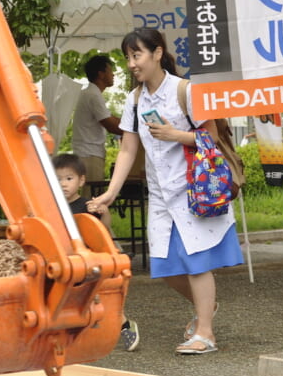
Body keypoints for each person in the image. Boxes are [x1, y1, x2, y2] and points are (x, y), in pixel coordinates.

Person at [90, 28, 242, 355]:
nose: (132, 63)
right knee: (165, 265)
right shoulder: (134, 100)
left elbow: (211, 136)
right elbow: (128, 150)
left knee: (198, 261)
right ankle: (206, 308)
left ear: (158, 53)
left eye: (137, 55)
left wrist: (176, 134)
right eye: (128, 57)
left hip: (194, 189)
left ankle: (205, 333)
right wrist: (110, 194)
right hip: (160, 195)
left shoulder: (186, 90)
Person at [53, 153, 138, 352]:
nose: (63, 184)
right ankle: (72, 336)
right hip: (66, 261)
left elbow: (103, 229)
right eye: (58, 179)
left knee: (101, 295)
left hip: (90, 261)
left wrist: (104, 212)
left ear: (81, 181)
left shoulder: (86, 205)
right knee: (68, 299)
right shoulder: (52, 207)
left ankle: (125, 324)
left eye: (69, 178)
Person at [72, 55, 124, 192]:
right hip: (89, 154)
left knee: (91, 197)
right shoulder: (93, 95)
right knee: (92, 200)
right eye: (110, 71)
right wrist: (133, 129)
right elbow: (110, 124)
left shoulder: (90, 93)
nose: (113, 75)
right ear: (101, 74)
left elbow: (108, 118)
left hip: (87, 152)